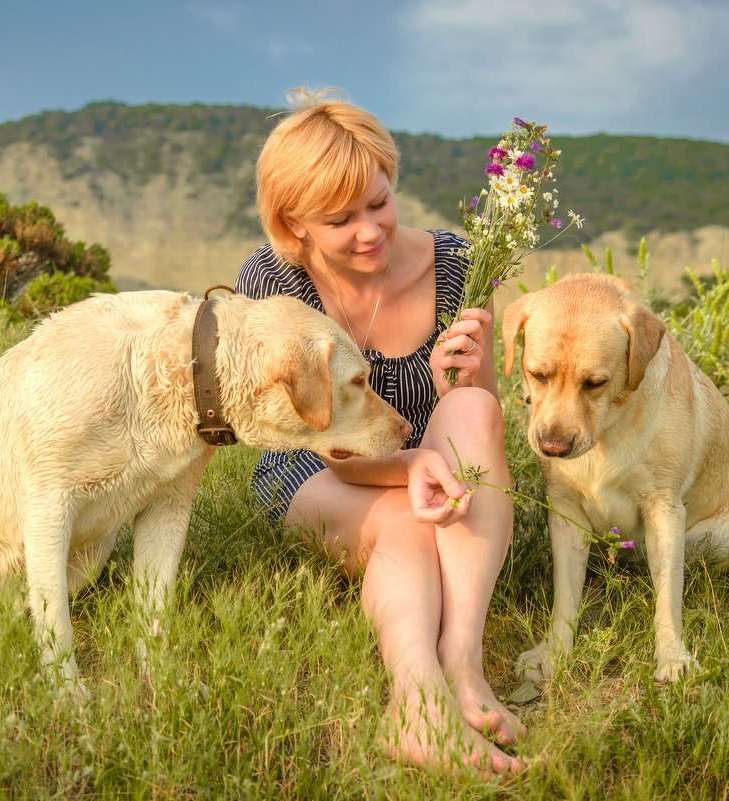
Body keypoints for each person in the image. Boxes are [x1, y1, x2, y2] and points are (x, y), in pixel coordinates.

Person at [234, 87, 526, 778]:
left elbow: (476, 429)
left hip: (434, 464)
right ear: (294, 224)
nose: (370, 229)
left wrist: (472, 375)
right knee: (398, 515)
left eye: (379, 202)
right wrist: (410, 464)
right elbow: (323, 443)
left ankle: (463, 659)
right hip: (318, 469)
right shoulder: (271, 281)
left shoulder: (458, 264)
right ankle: (417, 705)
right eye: (340, 219)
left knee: (479, 412)